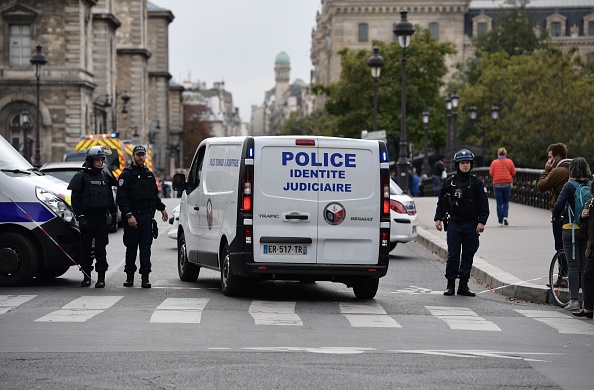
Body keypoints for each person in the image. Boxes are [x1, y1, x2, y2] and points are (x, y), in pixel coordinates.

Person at [434, 149, 489, 297]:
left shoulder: (477, 183)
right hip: (454, 223)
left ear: (471, 164)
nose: (465, 165)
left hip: (471, 224)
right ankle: (450, 284)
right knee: (453, 255)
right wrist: (438, 218)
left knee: (468, 255)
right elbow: (441, 202)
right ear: (457, 165)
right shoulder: (449, 183)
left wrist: (481, 222)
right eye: (462, 163)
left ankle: (463, 285)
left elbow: (484, 204)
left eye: (467, 163)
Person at [117, 145, 168, 288]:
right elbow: (121, 198)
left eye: (142, 155)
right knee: (131, 248)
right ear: (133, 156)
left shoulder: (149, 174)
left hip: (146, 217)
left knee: (145, 249)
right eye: (138, 155)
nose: (141, 157)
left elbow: (153, 196)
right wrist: (128, 215)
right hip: (132, 217)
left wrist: (162, 208)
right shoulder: (126, 175)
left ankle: (145, 277)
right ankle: (130, 277)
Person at [67, 146, 117, 288]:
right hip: (87, 218)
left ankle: (101, 277)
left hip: (101, 217)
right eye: (97, 160)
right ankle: (87, 277)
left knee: (101, 249)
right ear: (90, 161)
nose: (100, 162)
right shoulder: (81, 176)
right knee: (86, 249)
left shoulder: (104, 176)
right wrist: (81, 217)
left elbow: (109, 197)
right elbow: (75, 199)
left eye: (101, 160)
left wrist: (113, 215)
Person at [553, 157, 592, 311]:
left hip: (571, 229)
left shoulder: (569, 186)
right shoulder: (591, 185)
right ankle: (587, 301)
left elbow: (558, 206)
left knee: (573, 266)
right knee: (585, 266)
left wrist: (557, 218)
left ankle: (574, 300)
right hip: (587, 230)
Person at [537, 143, 571, 287]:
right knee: (575, 246)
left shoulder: (558, 171)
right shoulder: (574, 167)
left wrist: (546, 170)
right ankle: (576, 277)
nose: (549, 160)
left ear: (556, 157)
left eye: (550, 157)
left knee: (561, 246)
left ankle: (562, 277)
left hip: (561, 213)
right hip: (575, 213)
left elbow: (542, 186)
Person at [574, 182, 594, 319]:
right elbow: (583, 222)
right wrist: (583, 215)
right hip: (592, 247)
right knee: (587, 276)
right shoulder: (591, 203)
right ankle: (587, 308)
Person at [489, 147, 516, 226]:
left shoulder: (494, 162)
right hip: (507, 183)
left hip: (497, 183)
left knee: (499, 202)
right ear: (505, 154)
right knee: (505, 201)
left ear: (498, 154)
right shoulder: (509, 162)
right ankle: (505, 216)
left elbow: (491, 173)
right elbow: (513, 172)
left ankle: (500, 221)